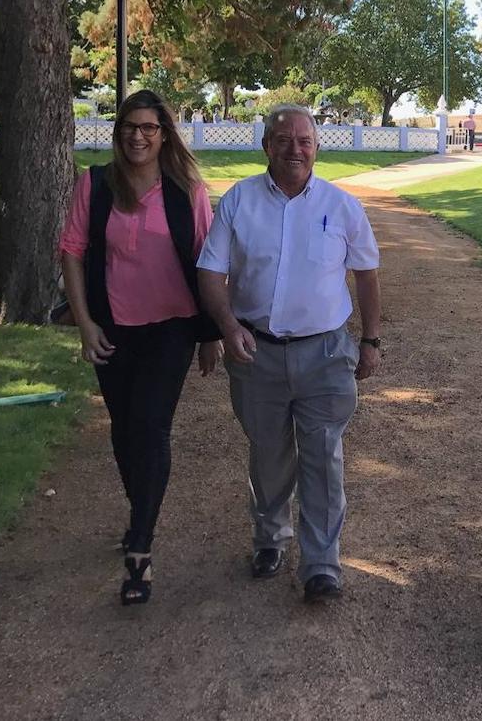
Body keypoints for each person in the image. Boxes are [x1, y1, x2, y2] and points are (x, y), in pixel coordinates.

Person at [197, 104, 384, 604]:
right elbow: (211, 272)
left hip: (325, 353)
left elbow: (366, 276)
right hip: (255, 353)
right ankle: (270, 538)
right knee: (269, 456)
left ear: (317, 147)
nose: (295, 149)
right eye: (283, 140)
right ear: (266, 147)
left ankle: (321, 563)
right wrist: (226, 326)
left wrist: (369, 341)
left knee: (323, 457)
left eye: (304, 140)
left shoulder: (343, 206)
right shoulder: (239, 202)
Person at [58, 89, 222, 606]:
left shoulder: (186, 190)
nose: (138, 136)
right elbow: (72, 252)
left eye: (150, 127)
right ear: (118, 130)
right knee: (125, 431)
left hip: (170, 327)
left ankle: (140, 551)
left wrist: (211, 334)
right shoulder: (96, 184)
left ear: (164, 134)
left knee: (151, 426)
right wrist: (84, 323)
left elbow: (207, 261)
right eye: (130, 126)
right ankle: (140, 513)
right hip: (113, 328)